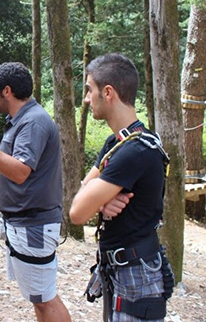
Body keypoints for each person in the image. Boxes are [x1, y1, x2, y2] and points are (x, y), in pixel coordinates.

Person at [0, 62, 71, 321]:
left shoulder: (33, 122)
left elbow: (20, 171)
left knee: (45, 298)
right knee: (38, 297)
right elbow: (23, 173)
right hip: (25, 223)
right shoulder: (21, 120)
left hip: (34, 224)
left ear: (6, 91)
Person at [70, 53, 174, 322]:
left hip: (136, 273)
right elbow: (84, 190)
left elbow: (78, 213)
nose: (86, 98)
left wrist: (95, 200)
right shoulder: (117, 143)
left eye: (89, 90)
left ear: (108, 92)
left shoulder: (135, 151)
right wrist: (103, 202)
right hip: (121, 268)